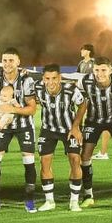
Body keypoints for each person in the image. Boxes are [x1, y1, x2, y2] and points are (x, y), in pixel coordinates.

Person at [0, 48, 39, 213]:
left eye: (11, 60)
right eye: (5, 60)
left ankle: (29, 200)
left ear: (18, 62)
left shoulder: (26, 81)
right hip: (1, 125)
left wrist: (12, 110)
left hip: (24, 126)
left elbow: (32, 109)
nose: (7, 64)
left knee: (28, 161)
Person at [72, 56, 112, 207]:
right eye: (97, 70)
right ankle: (88, 194)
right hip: (93, 120)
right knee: (85, 155)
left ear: (110, 70)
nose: (100, 73)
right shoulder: (86, 81)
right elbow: (70, 85)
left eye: (103, 70)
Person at [35, 64, 84, 211]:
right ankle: (49, 201)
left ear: (60, 78)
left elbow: (83, 105)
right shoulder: (37, 88)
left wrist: (76, 127)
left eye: (54, 78)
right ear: (43, 79)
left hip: (69, 130)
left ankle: (74, 201)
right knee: (44, 162)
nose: (51, 82)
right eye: (47, 78)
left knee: (75, 160)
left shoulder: (71, 90)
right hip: (48, 129)